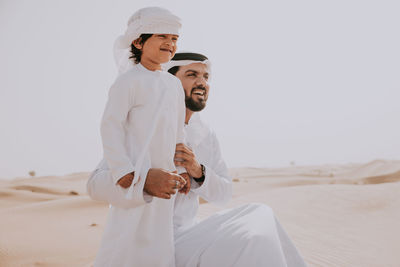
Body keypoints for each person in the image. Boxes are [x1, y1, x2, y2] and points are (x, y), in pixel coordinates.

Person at [88, 51, 307, 266]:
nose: (202, 82)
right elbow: (95, 184)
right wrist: (145, 181)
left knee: (259, 214)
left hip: (189, 235)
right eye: (192, 75)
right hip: (147, 242)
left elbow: (224, 193)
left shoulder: (205, 134)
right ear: (169, 82)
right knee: (251, 241)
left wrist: (198, 172)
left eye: (206, 77)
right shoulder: (140, 127)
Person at [89, 7, 190, 267]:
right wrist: (123, 170)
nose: (170, 43)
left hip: (165, 178)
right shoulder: (128, 81)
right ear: (138, 41)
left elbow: (179, 131)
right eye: (162, 36)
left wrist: (182, 168)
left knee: (159, 242)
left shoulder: (173, 84)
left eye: (175, 38)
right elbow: (110, 125)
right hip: (136, 177)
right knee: (125, 239)